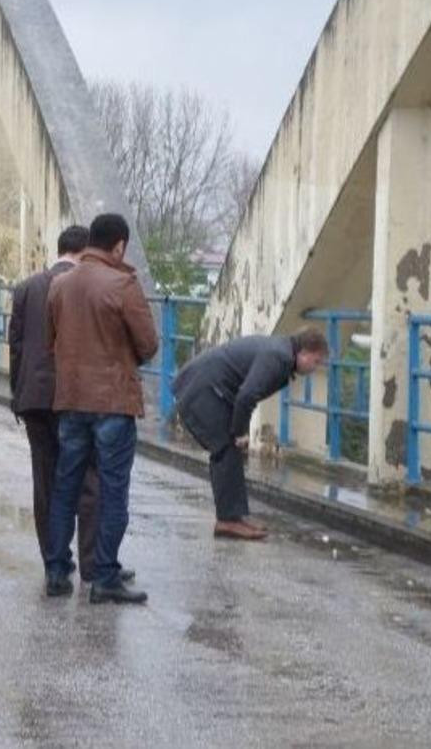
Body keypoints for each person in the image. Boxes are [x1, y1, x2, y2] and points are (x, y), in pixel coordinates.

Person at [44, 214, 158, 604]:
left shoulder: (59, 285)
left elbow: (52, 339)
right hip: (112, 401)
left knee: (65, 485)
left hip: (71, 398)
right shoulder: (123, 284)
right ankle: (105, 575)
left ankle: (57, 569)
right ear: (120, 246)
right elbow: (149, 344)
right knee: (112, 490)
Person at [9, 225, 105, 579]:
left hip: (34, 396)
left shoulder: (27, 287)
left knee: (46, 481)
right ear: (84, 254)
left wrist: (17, 395)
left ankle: (55, 567)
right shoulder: (88, 287)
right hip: (76, 398)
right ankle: (93, 565)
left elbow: (16, 346)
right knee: (88, 481)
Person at [173, 330, 328, 539]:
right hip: (203, 389)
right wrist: (241, 432)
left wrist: (238, 431)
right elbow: (247, 395)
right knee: (226, 448)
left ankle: (233, 517)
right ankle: (227, 521)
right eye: (316, 361)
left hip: (210, 387)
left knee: (229, 450)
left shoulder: (282, 351)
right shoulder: (279, 357)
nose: (315, 368)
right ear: (304, 353)